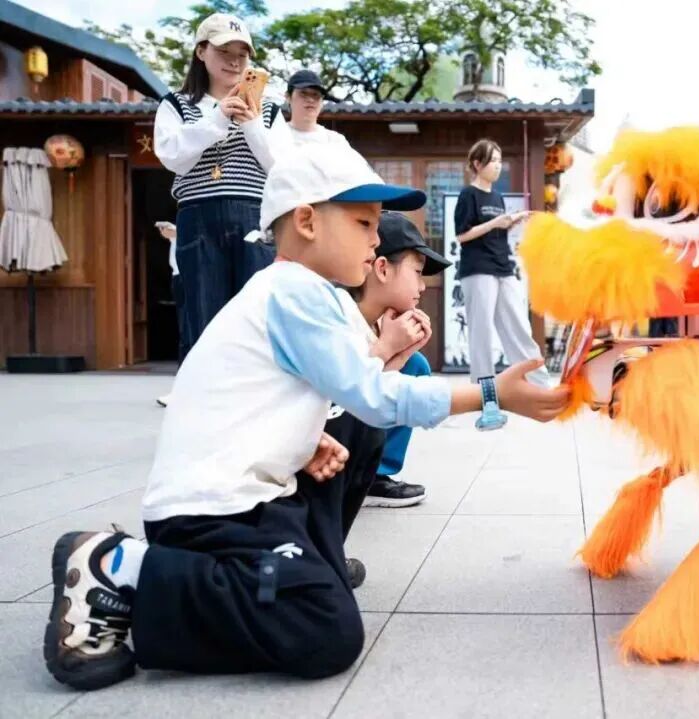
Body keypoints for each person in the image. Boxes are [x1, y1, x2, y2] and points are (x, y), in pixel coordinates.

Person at [43, 143, 569, 691]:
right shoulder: (295, 292)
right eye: (364, 223)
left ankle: (274, 572)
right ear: (307, 222)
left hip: (250, 498)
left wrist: (304, 436)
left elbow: (268, 394)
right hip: (211, 513)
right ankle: (120, 567)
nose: (376, 238)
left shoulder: (306, 293)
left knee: (332, 545)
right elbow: (374, 395)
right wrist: (492, 394)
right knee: (324, 630)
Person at [153, 12, 291, 351]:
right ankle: (202, 385)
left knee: (257, 319)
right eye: (224, 51)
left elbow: (282, 166)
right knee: (203, 318)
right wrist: (216, 120)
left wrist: (252, 124)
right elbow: (172, 156)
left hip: (254, 216)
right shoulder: (176, 104)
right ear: (201, 52)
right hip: (198, 217)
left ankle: (257, 387)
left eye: (242, 54)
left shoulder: (269, 110)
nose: (234, 61)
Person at [352, 211, 450, 507]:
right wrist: (387, 346)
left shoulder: (378, 321)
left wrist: (402, 351)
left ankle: (373, 475)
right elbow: (342, 393)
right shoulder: (336, 317)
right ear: (382, 268)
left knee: (414, 365)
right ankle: (352, 476)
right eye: (417, 272)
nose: (422, 286)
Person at [454, 139, 549, 385]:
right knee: (481, 332)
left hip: (503, 266)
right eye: (492, 160)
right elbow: (462, 235)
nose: (498, 166)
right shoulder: (468, 195)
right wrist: (495, 223)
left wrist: (512, 222)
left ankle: (539, 382)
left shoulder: (497, 197)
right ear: (477, 164)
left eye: (499, 160)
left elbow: (496, 232)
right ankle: (483, 388)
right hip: (478, 269)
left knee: (518, 324)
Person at [154, 221, 188, 408]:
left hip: (190, 274)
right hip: (179, 275)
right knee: (185, 334)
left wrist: (178, 233)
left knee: (191, 333)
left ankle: (184, 390)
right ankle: (182, 389)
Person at [285, 69, 352, 149]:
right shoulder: (275, 135)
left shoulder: (336, 141)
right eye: (303, 93)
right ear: (288, 97)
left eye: (315, 94)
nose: (310, 100)